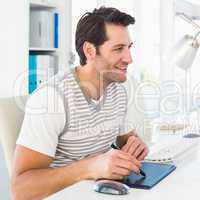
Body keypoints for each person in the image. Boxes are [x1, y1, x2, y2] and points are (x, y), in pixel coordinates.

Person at [11, 7, 149, 200]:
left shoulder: (118, 88)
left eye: (129, 47)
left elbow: (124, 138)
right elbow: (21, 189)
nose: (129, 58)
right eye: (118, 49)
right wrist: (89, 168)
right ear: (90, 50)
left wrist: (134, 144)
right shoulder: (53, 98)